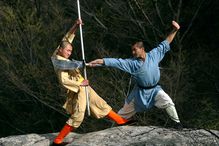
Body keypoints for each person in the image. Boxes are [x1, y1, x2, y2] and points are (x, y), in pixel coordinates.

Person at [88, 21, 183, 129]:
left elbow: (166, 43)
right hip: (139, 94)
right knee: (122, 114)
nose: (133, 52)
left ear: (142, 49)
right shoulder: (132, 63)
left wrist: (175, 30)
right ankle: (113, 130)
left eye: (135, 50)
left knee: (168, 101)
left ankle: (178, 124)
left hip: (155, 90)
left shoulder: (154, 55)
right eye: (132, 50)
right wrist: (99, 61)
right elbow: (116, 62)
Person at [51, 19, 132, 145]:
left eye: (70, 51)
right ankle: (58, 140)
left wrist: (75, 26)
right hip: (77, 89)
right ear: (60, 50)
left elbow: (67, 38)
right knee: (79, 115)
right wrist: (81, 76)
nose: (69, 53)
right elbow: (64, 79)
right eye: (67, 51)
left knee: (98, 102)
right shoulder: (57, 60)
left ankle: (120, 120)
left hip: (83, 85)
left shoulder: (61, 49)